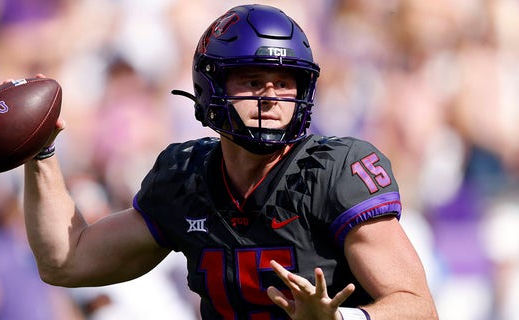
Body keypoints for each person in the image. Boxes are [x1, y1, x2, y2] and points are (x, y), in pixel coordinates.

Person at [23, 4, 438, 320]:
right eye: (253, 81)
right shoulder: (185, 178)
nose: (271, 97)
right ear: (212, 87)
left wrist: (342, 319)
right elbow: (67, 261)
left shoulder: (335, 171)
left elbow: (418, 307)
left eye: (284, 82)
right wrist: (40, 153)